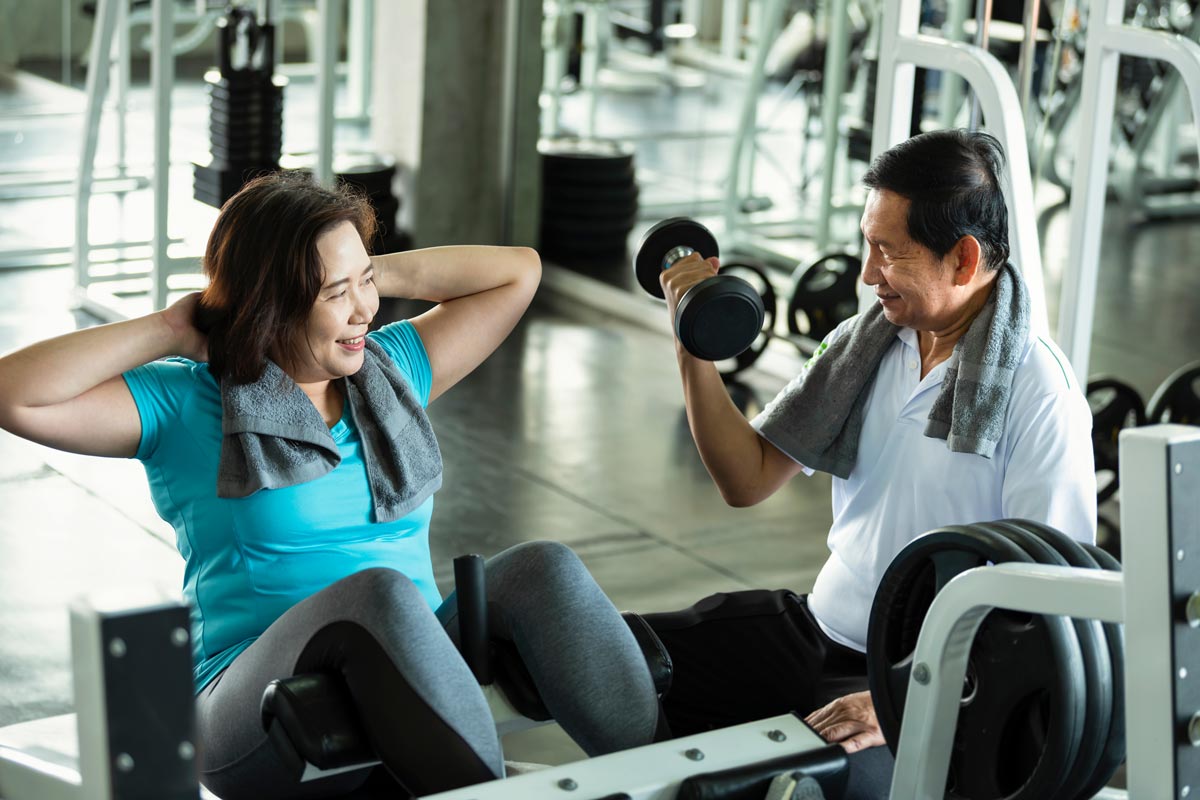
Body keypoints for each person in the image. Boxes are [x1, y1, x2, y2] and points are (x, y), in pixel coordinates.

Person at [0, 172, 660, 799]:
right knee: (376, 595)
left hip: (417, 661)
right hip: (248, 700)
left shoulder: (390, 370)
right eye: (333, 294)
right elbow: (15, 395)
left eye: (364, 283)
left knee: (541, 567)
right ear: (270, 301)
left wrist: (358, 273)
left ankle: (671, 772)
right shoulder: (186, 405)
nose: (364, 312)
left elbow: (519, 271)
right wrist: (175, 327)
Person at [643, 129, 1096, 794]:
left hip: (935, 684)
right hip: (816, 631)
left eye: (887, 252)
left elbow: (1053, 610)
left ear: (963, 259)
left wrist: (903, 702)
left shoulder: (1037, 394)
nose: (865, 273)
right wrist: (693, 342)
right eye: (867, 244)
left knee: (807, 786)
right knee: (624, 662)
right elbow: (746, 478)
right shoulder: (870, 346)